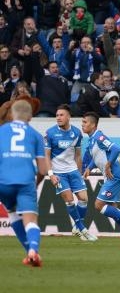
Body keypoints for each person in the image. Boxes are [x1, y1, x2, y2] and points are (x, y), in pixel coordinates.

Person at [0, 100, 47, 267]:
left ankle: (29, 253)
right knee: (31, 220)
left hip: (3, 183)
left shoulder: (1, 131)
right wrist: (34, 185)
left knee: (13, 214)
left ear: (12, 114)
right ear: (31, 116)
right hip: (26, 181)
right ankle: (33, 250)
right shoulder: (35, 135)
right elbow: (42, 169)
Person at [81, 112, 120, 241]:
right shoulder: (92, 140)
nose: (82, 125)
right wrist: (89, 168)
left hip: (114, 175)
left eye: (85, 122)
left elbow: (116, 149)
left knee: (98, 205)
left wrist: (108, 165)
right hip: (110, 176)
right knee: (113, 208)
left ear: (93, 125)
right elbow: (96, 157)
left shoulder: (99, 137)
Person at [44, 104, 97, 242]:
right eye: (57, 115)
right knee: (69, 200)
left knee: (84, 198)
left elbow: (78, 155)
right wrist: (51, 174)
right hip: (58, 173)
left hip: (73, 171)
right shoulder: (50, 133)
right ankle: (83, 229)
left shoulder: (77, 133)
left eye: (61, 115)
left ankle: (76, 227)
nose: (58, 118)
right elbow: (46, 156)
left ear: (68, 117)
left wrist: (79, 174)